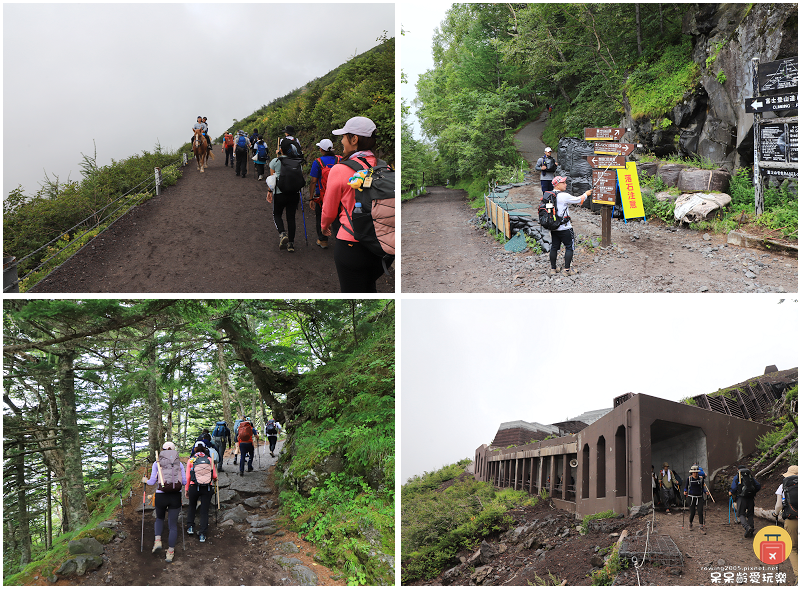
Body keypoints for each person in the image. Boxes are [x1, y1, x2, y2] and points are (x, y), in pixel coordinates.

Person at [321, 116, 386, 292]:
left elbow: (328, 210)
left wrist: (324, 226)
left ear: (354, 139)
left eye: (344, 136)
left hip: (351, 243)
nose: (341, 140)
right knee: (369, 288)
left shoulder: (340, 169)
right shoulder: (385, 167)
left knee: (352, 290)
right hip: (381, 245)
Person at [142, 442, 186, 563]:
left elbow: (151, 482)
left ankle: (157, 541)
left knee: (159, 519)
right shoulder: (180, 464)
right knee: (173, 526)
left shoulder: (157, 463)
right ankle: (170, 553)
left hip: (161, 496)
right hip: (175, 497)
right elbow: (184, 482)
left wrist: (144, 480)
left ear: (163, 450)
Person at [546, 176, 591, 277]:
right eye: (563, 183)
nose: (566, 184)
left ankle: (553, 269)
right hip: (565, 227)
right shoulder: (563, 196)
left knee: (554, 247)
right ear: (557, 185)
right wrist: (586, 194)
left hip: (554, 227)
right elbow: (579, 200)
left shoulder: (549, 195)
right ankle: (567, 270)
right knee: (569, 247)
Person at [308, 139, 341, 250]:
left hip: (322, 195)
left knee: (320, 217)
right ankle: (340, 241)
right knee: (337, 217)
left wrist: (311, 197)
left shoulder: (318, 162)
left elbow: (313, 181)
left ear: (321, 149)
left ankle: (323, 240)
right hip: (338, 194)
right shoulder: (339, 159)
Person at [267, 146, 301, 253]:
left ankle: (282, 234)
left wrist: (269, 191)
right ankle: (291, 244)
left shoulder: (275, 161)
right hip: (294, 194)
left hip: (279, 193)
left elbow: (272, 178)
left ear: (281, 150)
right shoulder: (297, 162)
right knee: (291, 218)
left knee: (277, 214)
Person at [184, 442, 217, 543]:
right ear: (204, 449)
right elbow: (214, 476)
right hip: (207, 487)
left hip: (194, 487)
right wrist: (214, 479)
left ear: (195, 449)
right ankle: (202, 534)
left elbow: (188, 477)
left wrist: (186, 490)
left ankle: (190, 527)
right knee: (204, 511)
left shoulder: (191, 460)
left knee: (192, 506)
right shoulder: (209, 459)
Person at [774, 465, 798, 577]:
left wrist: (776, 513)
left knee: (792, 548)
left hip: (792, 519)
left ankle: (798, 575)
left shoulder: (783, 486)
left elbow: (779, 505)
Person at [730, 465, 761, 538]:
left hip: (741, 498)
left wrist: (732, 492)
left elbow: (734, 487)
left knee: (741, 514)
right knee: (750, 514)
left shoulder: (738, 476)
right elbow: (758, 485)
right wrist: (753, 492)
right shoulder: (750, 476)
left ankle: (747, 528)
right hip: (751, 498)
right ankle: (751, 530)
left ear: (738, 469)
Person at [684, 464, 706, 533]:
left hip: (699, 497)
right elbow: (686, 487)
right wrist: (685, 491)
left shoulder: (701, 479)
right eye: (694, 472)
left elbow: (702, 488)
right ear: (692, 472)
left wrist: (706, 492)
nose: (695, 473)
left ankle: (701, 526)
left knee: (700, 511)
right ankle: (690, 524)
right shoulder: (689, 478)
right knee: (692, 512)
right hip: (691, 497)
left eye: (696, 472)